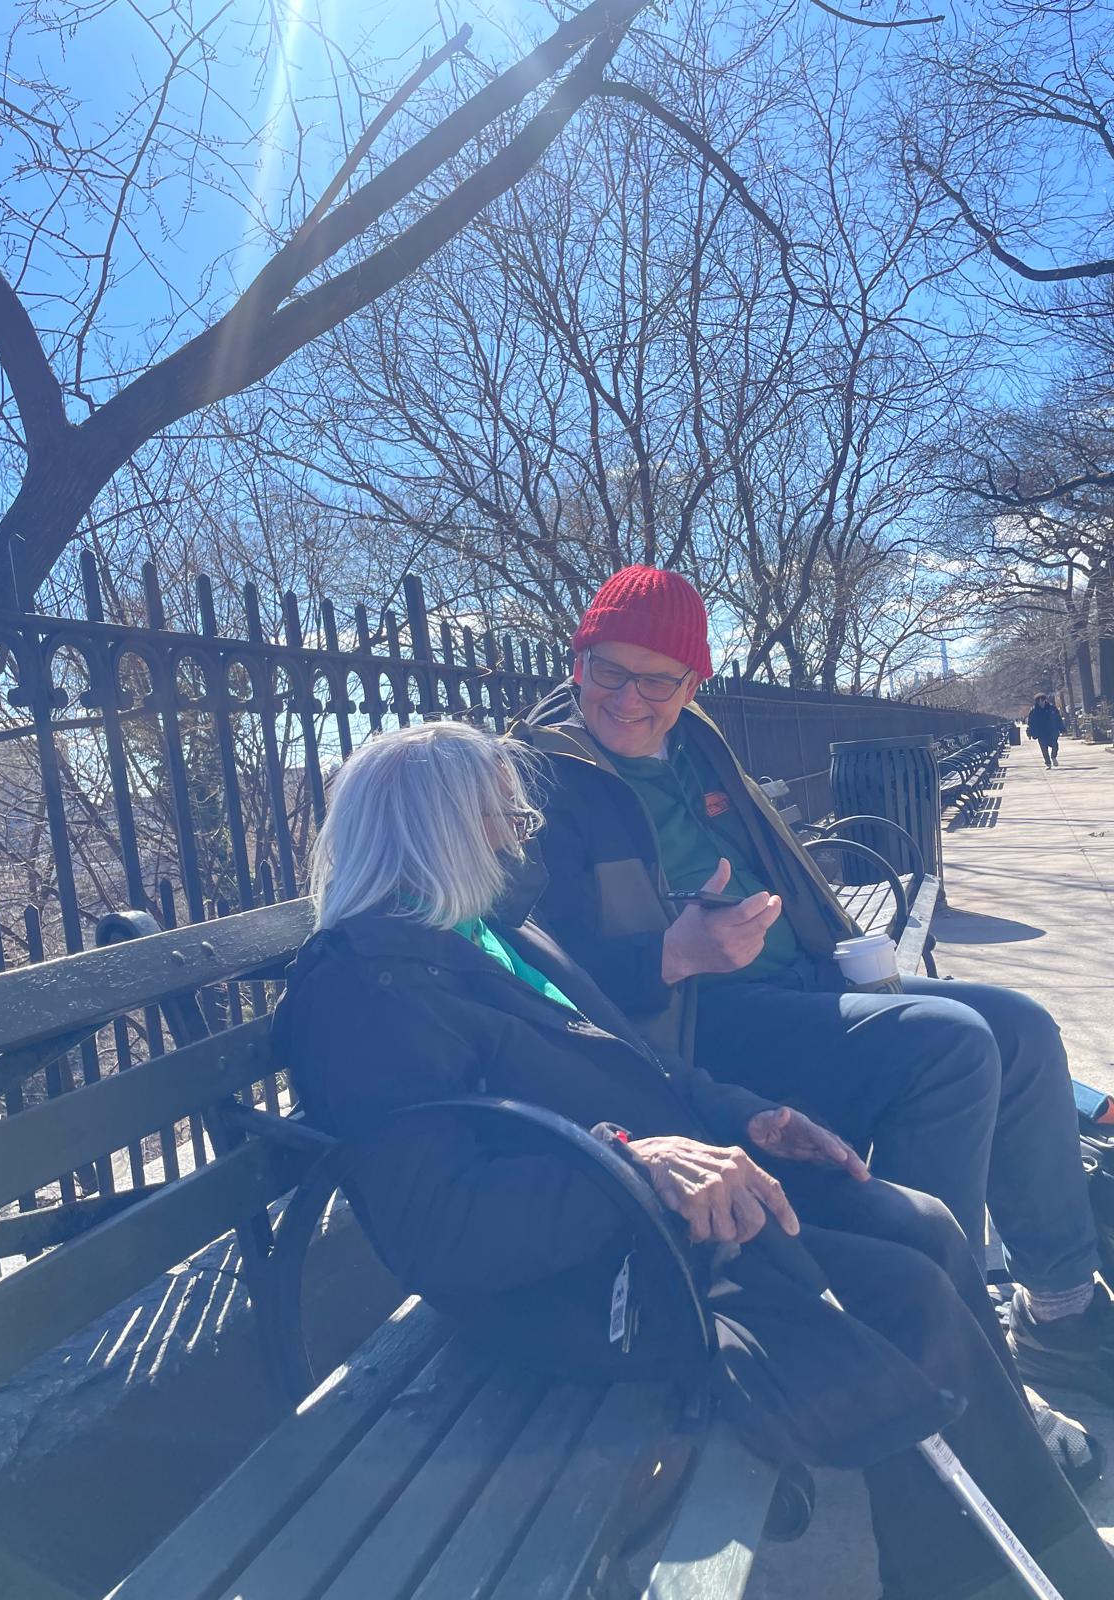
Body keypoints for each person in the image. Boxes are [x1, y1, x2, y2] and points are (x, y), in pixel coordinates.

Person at [272, 721, 1113, 1600]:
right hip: (575, 1281)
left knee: (920, 1222)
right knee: (898, 1298)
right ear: (437, 829)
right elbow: (439, 1227)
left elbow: (647, 1069)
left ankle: (1020, 1543)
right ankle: (976, 1576)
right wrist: (635, 1166)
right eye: (502, 819)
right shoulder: (366, 990)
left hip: (653, 1218)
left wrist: (756, 1119)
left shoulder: (490, 936)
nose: (519, 836)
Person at [514, 565, 1114, 1406]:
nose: (627, 698)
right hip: (689, 1028)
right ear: (577, 661)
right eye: (608, 670)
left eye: (657, 679)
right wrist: (672, 956)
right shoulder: (535, 780)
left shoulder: (696, 744)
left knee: (1020, 1024)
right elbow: (533, 973)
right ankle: (927, 1349)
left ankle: (1059, 1317)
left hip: (795, 982)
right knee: (948, 1047)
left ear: (693, 684)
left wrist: (839, 948)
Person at [1028, 694, 1066, 768]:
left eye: (1042, 700)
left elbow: (1058, 719)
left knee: (1055, 745)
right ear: (1037, 702)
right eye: (1039, 701)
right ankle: (1048, 763)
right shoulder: (1034, 711)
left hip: (1052, 731)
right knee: (1044, 749)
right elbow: (1030, 723)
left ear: (1045, 700)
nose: (1041, 702)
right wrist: (1030, 733)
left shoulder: (1052, 709)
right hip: (1040, 733)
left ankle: (1053, 757)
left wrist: (1062, 729)